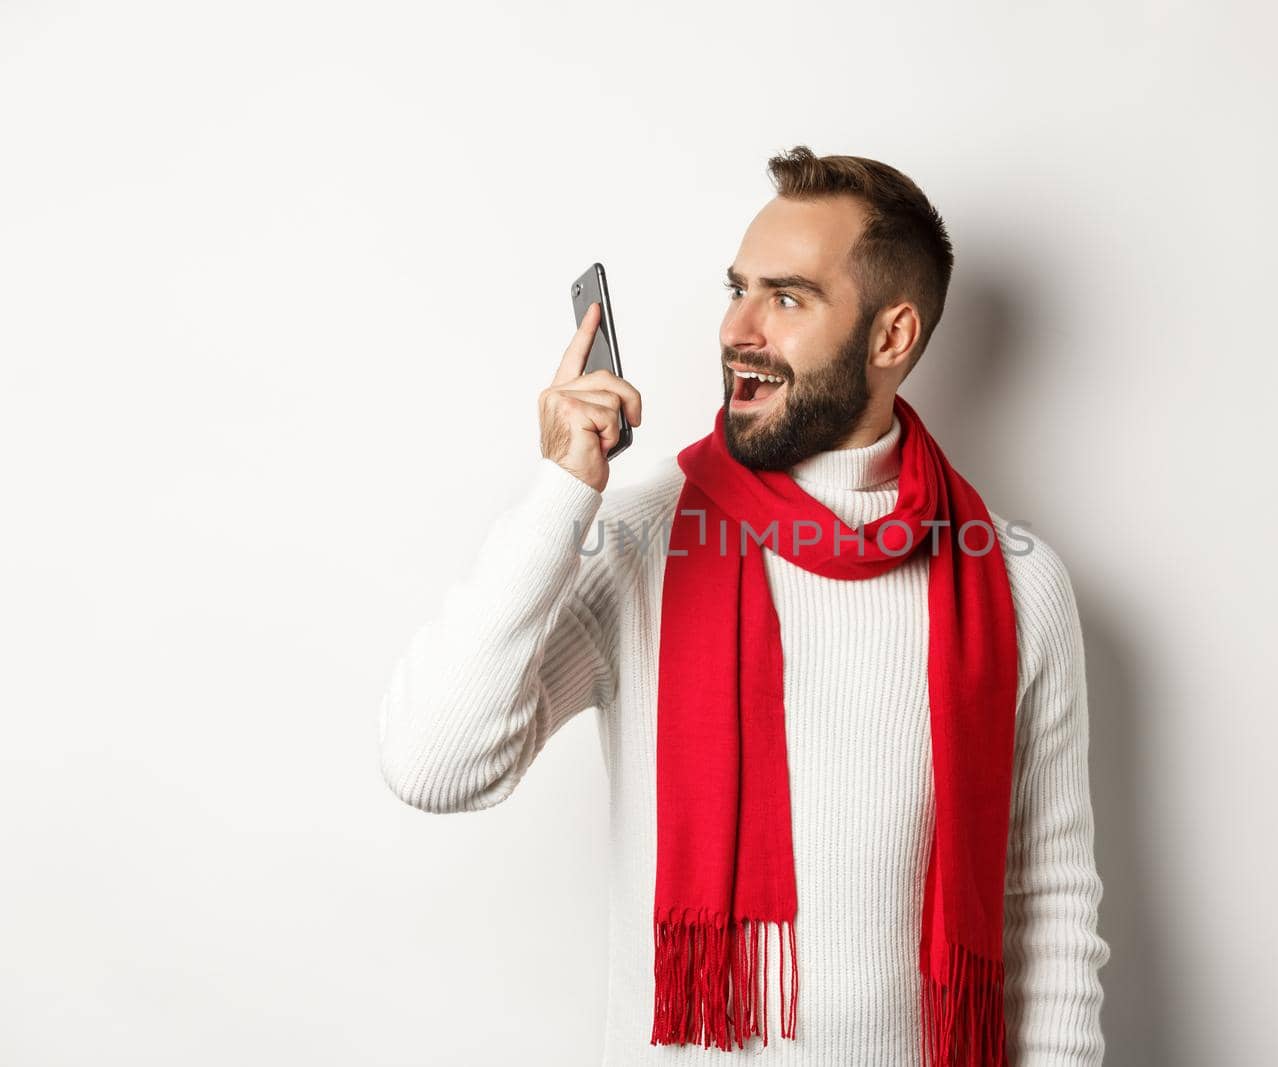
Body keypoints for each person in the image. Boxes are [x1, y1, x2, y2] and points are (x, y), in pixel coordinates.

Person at [377, 145, 1111, 1065]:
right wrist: (564, 488)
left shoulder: (1011, 580)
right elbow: (435, 763)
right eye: (739, 288)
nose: (739, 327)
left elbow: (1048, 903)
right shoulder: (642, 540)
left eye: (789, 297)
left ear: (892, 338)